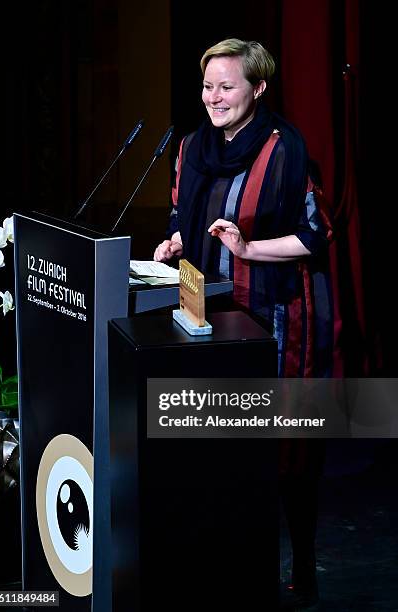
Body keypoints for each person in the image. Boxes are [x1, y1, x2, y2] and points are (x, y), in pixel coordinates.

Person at [154, 38, 333, 610]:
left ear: (257, 88)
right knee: (213, 441)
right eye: (207, 86)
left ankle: (300, 563)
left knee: (281, 447)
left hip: (274, 315)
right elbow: (185, 214)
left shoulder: (285, 151)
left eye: (226, 86)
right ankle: (222, 567)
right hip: (206, 309)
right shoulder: (191, 147)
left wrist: (249, 248)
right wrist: (175, 241)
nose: (214, 97)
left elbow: (313, 236)